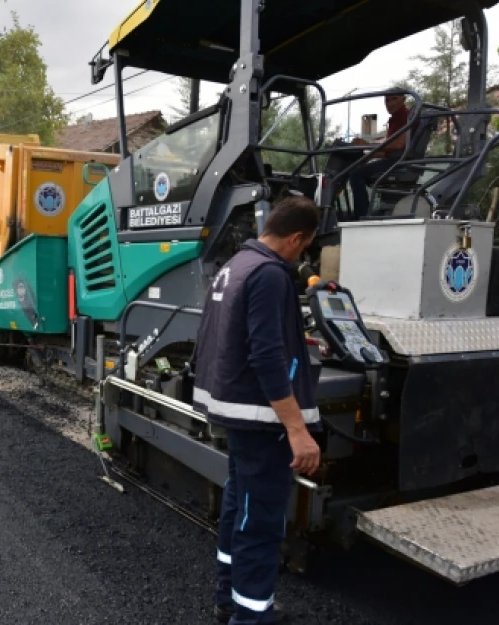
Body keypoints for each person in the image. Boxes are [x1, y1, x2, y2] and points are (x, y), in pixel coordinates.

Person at [193, 196, 323, 625]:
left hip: (233, 409)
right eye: (303, 249)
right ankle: (251, 617)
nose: (300, 257)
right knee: (260, 520)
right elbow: (266, 356)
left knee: (239, 506)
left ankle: (229, 599)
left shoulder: (235, 265)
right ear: (297, 238)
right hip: (260, 417)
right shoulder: (269, 273)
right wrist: (298, 430)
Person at [347, 92, 412, 218]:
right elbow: (391, 150)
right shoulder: (395, 119)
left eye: (394, 98)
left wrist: (367, 144)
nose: (390, 103)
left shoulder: (406, 116)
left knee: (356, 175)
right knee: (357, 170)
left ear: (403, 99)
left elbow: (399, 145)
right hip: (396, 159)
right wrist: (370, 155)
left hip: (399, 162)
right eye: (387, 100)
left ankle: (362, 216)